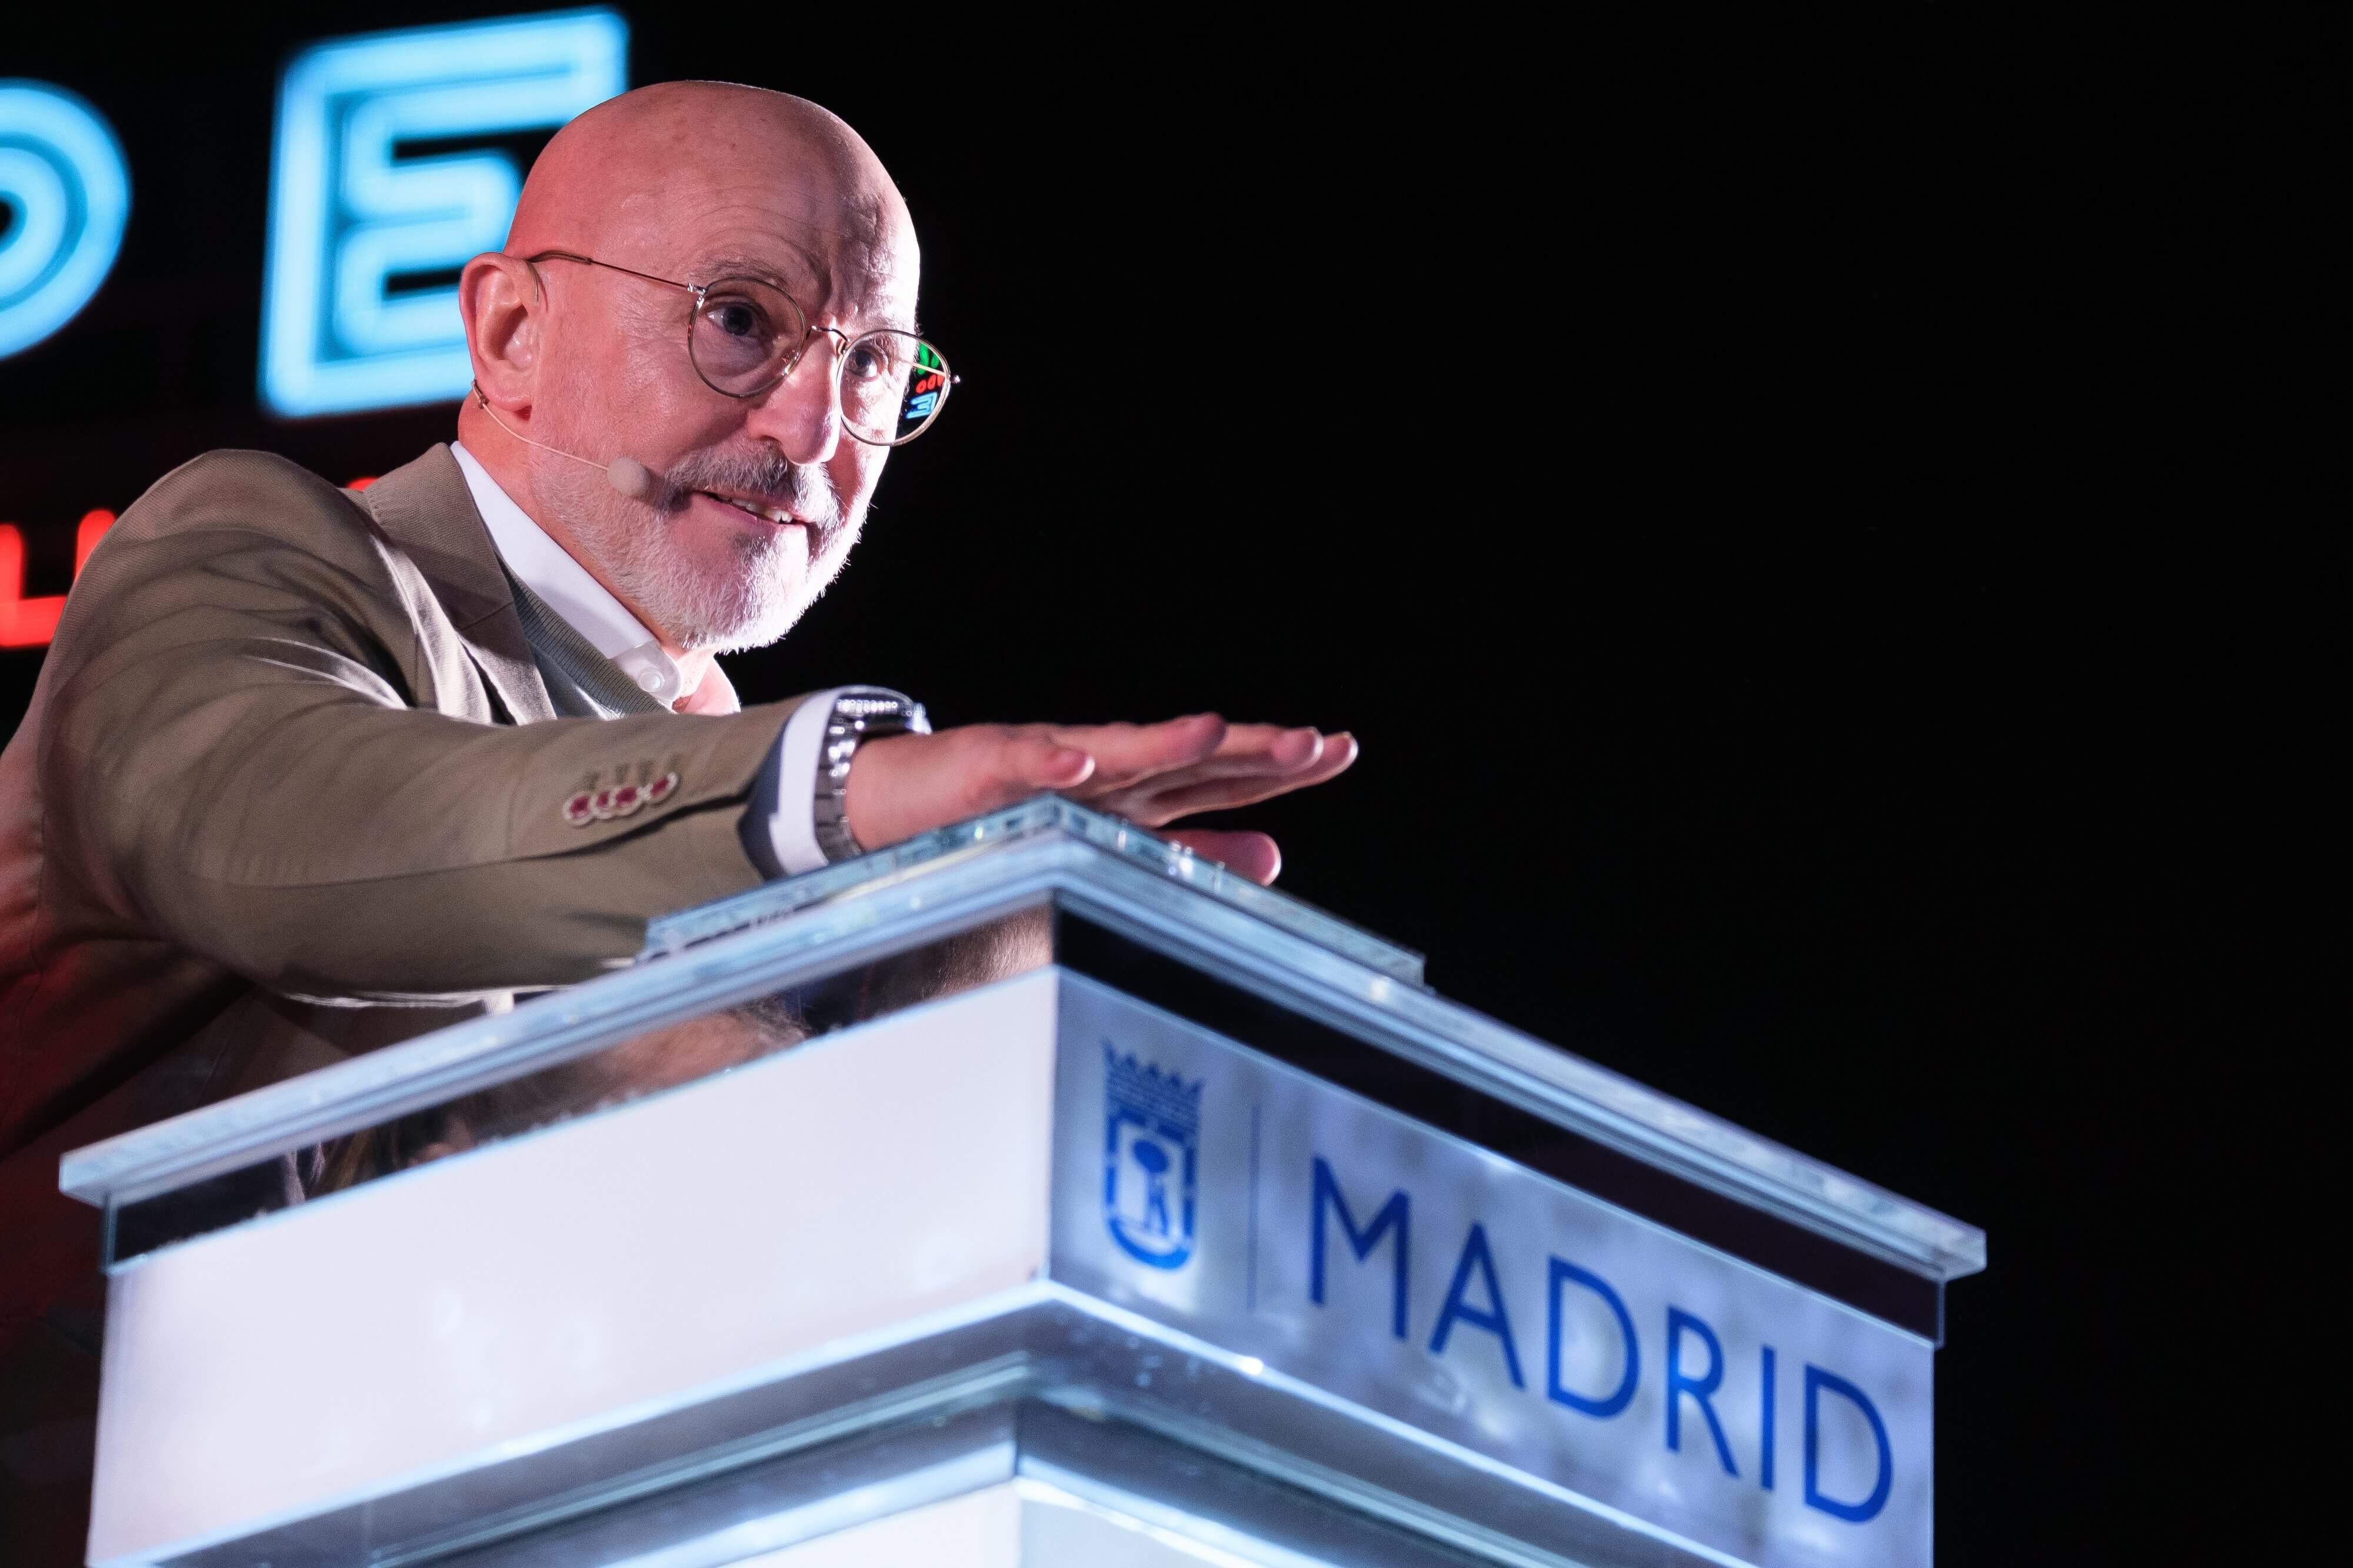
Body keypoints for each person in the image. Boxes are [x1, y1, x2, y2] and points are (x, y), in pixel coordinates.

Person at [0, 82, 1354, 1556]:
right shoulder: (262, 547)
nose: (814, 429)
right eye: (741, 319)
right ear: (511, 333)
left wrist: (1022, 977)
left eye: (875, 367)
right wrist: (823, 791)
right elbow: (283, 834)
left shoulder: (764, 810)